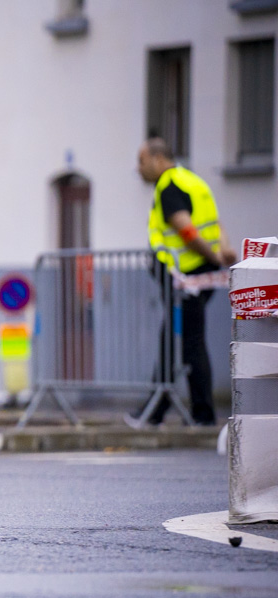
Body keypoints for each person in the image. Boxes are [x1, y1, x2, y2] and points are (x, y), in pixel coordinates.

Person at [127, 137, 236, 428]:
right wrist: (221, 252)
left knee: (189, 343)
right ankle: (158, 409)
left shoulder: (169, 185)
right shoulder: (194, 182)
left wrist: (212, 255)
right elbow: (217, 224)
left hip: (184, 279)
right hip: (200, 277)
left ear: (159, 159)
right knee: (175, 340)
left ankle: (199, 413)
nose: (138, 169)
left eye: (142, 161)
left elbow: (185, 230)